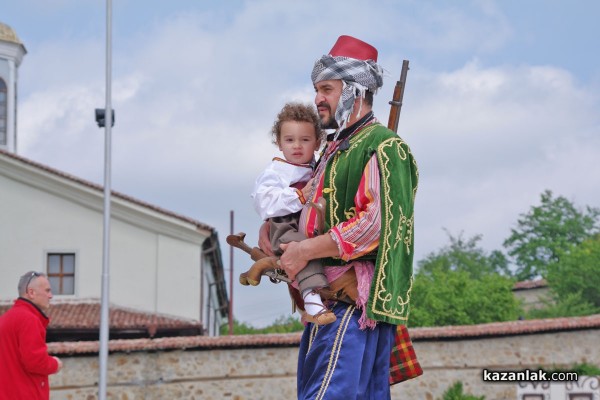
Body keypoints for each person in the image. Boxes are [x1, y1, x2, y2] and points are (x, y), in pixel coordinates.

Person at [259, 35, 421, 399]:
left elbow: (374, 224)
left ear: (355, 91)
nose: (318, 98)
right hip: (327, 301)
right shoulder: (332, 150)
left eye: (327, 89)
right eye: (317, 89)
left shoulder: (384, 145)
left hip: (350, 301)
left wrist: (304, 251)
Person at [247, 102, 335, 325]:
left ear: (317, 142)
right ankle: (312, 300)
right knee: (301, 249)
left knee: (313, 247)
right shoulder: (276, 171)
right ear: (278, 143)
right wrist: (298, 196)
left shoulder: (317, 166)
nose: (297, 146)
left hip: (308, 224)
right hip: (285, 227)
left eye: (304, 140)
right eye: (289, 140)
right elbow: (263, 201)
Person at [0, 271, 63, 400]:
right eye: (47, 290)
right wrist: (56, 364)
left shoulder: (5, 318)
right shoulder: (29, 319)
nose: (50, 295)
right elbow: (35, 362)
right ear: (31, 292)